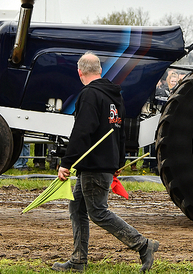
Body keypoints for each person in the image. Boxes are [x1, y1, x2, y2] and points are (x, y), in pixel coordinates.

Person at [53, 52, 159, 273]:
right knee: (77, 208)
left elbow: (82, 131)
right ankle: (78, 261)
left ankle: (143, 245)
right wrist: (118, 162)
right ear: (100, 70)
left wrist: (66, 162)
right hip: (102, 163)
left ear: (79, 72)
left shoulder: (89, 94)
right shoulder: (114, 96)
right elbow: (121, 132)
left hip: (94, 165)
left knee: (98, 212)